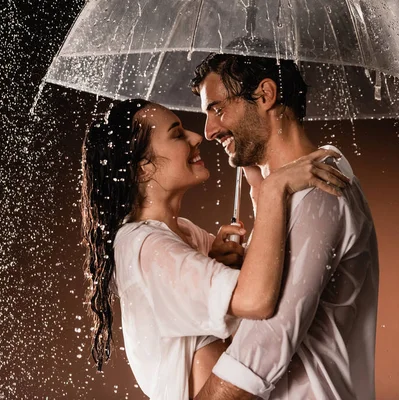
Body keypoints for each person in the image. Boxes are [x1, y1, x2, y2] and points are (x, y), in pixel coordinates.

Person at [80, 99, 350, 399]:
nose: (197, 137)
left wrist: (256, 183)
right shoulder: (145, 247)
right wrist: (274, 188)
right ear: (143, 168)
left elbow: (261, 286)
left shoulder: (184, 233)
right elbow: (257, 300)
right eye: (177, 134)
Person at [190, 54, 380, 400]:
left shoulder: (321, 189)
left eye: (217, 109)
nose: (209, 131)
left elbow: (265, 345)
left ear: (265, 95)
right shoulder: (292, 193)